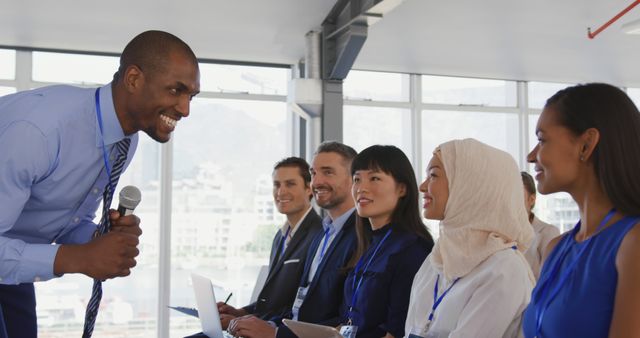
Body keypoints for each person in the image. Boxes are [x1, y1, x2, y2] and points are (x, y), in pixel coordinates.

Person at [0, 30, 200, 337]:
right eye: (176, 90)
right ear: (134, 79)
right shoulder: (38, 132)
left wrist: (97, 239)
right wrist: (78, 258)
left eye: (191, 96)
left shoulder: (124, 141)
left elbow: (67, 220)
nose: (185, 109)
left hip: (11, 257)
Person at [522, 83, 640, 338]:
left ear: (586, 145)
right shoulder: (556, 248)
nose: (531, 156)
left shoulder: (632, 244)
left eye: (542, 140)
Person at [227, 141, 359, 338]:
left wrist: (276, 333)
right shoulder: (322, 235)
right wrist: (263, 323)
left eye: (328, 172)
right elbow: (301, 306)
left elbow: (344, 319)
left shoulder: (361, 236)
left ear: (353, 179)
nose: (318, 181)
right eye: (314, 173)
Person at [404, 138, 534, 338]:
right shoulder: (437, 259)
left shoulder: (504, 269)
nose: (422, 186)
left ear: (470, 186)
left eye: (433, 175)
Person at [340, 145, 434, 338]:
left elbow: (399, 330)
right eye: (357, 179)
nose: (361, 188)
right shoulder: (369, 244)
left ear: (402, 188)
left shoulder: (413, 249)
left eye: (374, 178)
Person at [218, 157, 322, 327]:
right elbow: (272, 300)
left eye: (290, 184)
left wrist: (242, 321)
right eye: (277, 185)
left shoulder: (318, 235)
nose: (281, 192)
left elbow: (301, 305)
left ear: (309, 188)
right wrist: (239, 312)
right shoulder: (279, 237)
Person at [521, 171, 560, 280]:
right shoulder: (502, 234)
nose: (512, 201)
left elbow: (551, 279)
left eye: (517, 196)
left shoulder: (547, 232)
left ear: (531, 200)